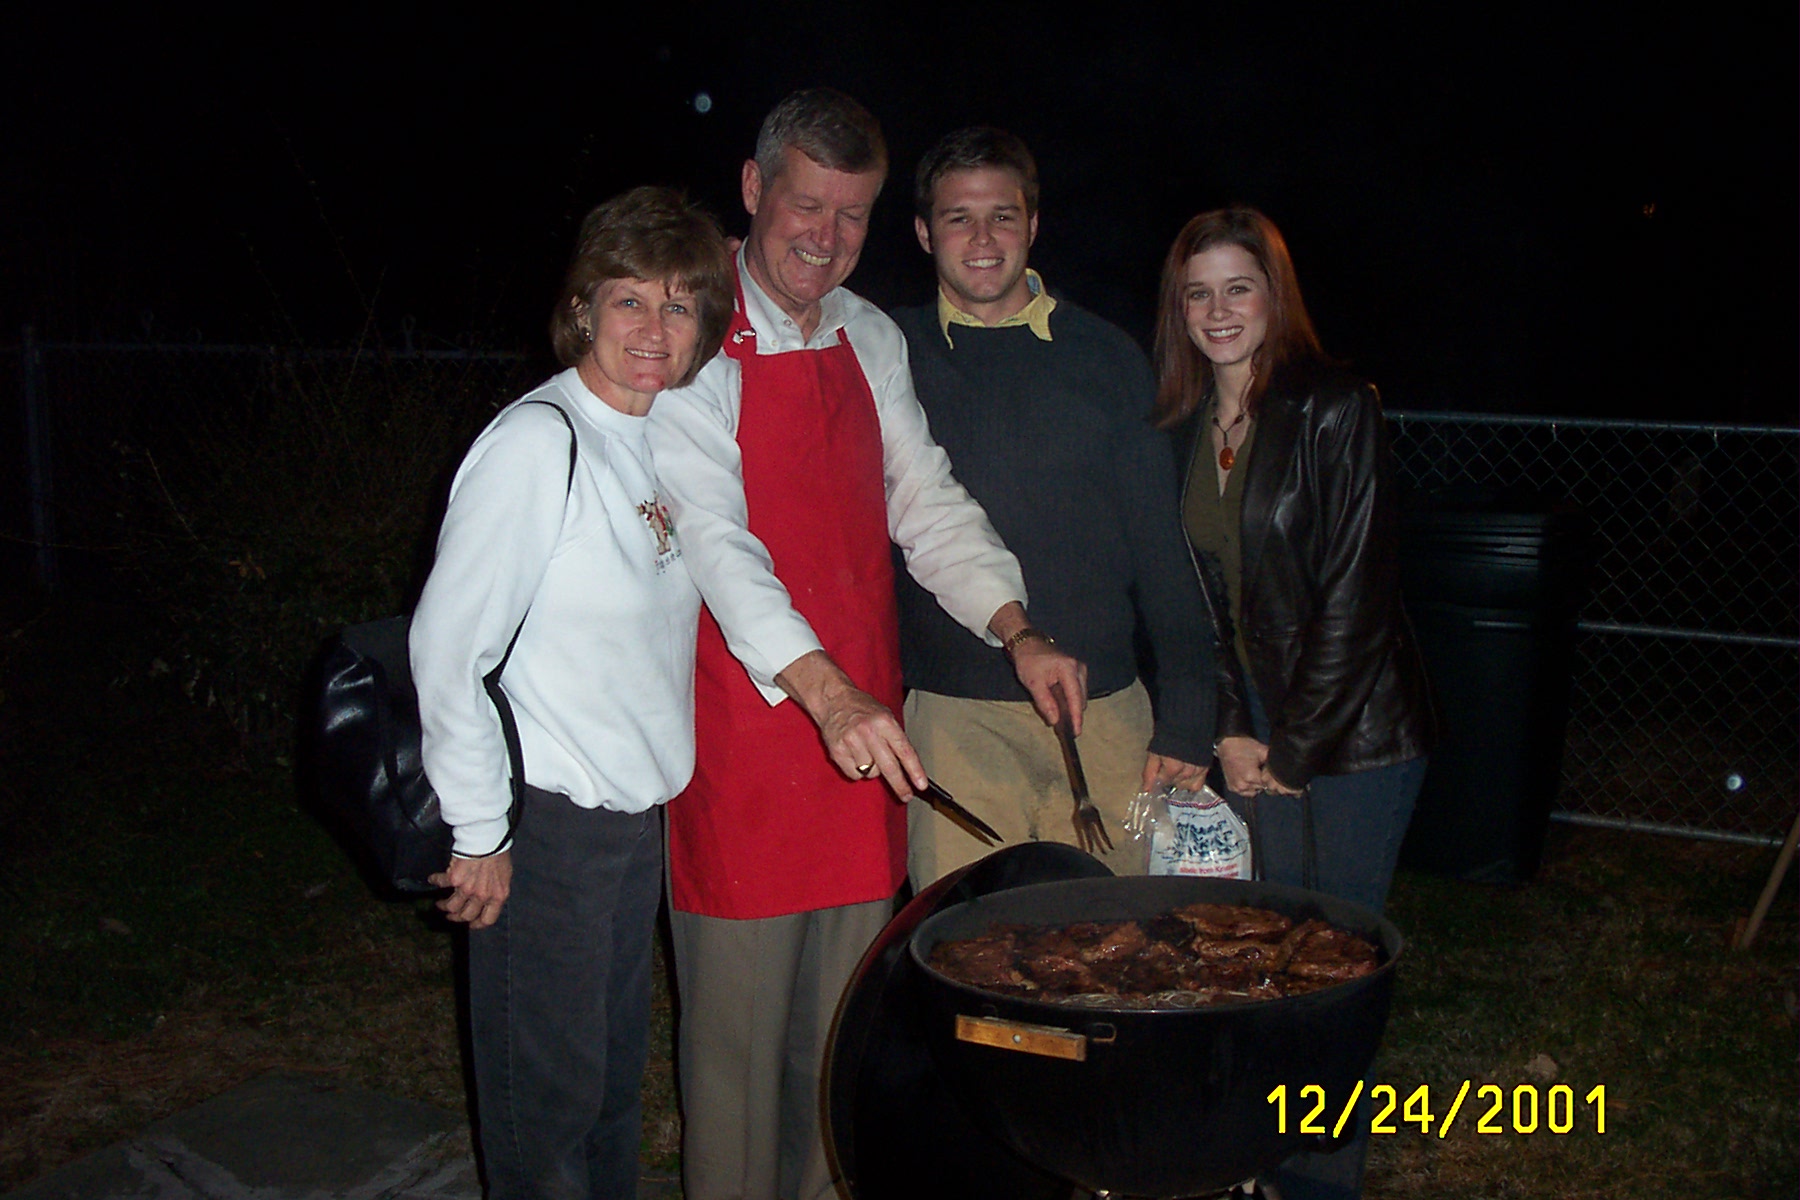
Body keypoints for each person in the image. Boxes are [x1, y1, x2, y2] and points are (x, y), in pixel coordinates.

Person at [646, 90, 1086, 1200]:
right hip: (747, 742)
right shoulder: (690, 334)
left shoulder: (869, 334)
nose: (826, 236)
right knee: (737, 1061)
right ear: (754, 189)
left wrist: (1017, 628)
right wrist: (828, 694)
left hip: (869, 746)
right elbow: (713, 540)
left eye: (853, 214)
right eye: (807, 205)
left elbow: (925, 502)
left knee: (841, 1043)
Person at [409, 187, 734, 1199]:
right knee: (543, 1117)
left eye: (680, 305)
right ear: (584, 308)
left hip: (630, 828)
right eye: (630, 299)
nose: (655, 329)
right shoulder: (536, 444)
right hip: (546, 831)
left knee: (607, 1096)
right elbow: (447, 649)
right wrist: (480, 832)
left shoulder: (649, 439)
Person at [1154, 205, 1436, 1200]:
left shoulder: (1334, 407)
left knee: (1333, 962)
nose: (1218, 310)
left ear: (1275, 296)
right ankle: (1266, 1157)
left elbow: (1357, 597)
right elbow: (1208, 599)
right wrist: (1233, 728)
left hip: (1354, 735)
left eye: (1239, 287)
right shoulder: (1189, 423)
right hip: (1259, 728)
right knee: (1264, 953)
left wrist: (1292, 749)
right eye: (1198, 292)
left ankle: (1322, 1180)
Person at [892, 126, 1214, 885]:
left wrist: (1189, 712)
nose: (982, 239)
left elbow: (1161, 546)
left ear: (1032, 225)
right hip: (954, 719)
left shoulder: (1107, 357)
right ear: (924, 232)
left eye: (1002, 216)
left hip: (1105, 716)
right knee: (966, 939)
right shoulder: (887, 351)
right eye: (958, 218)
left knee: (1107, 939)